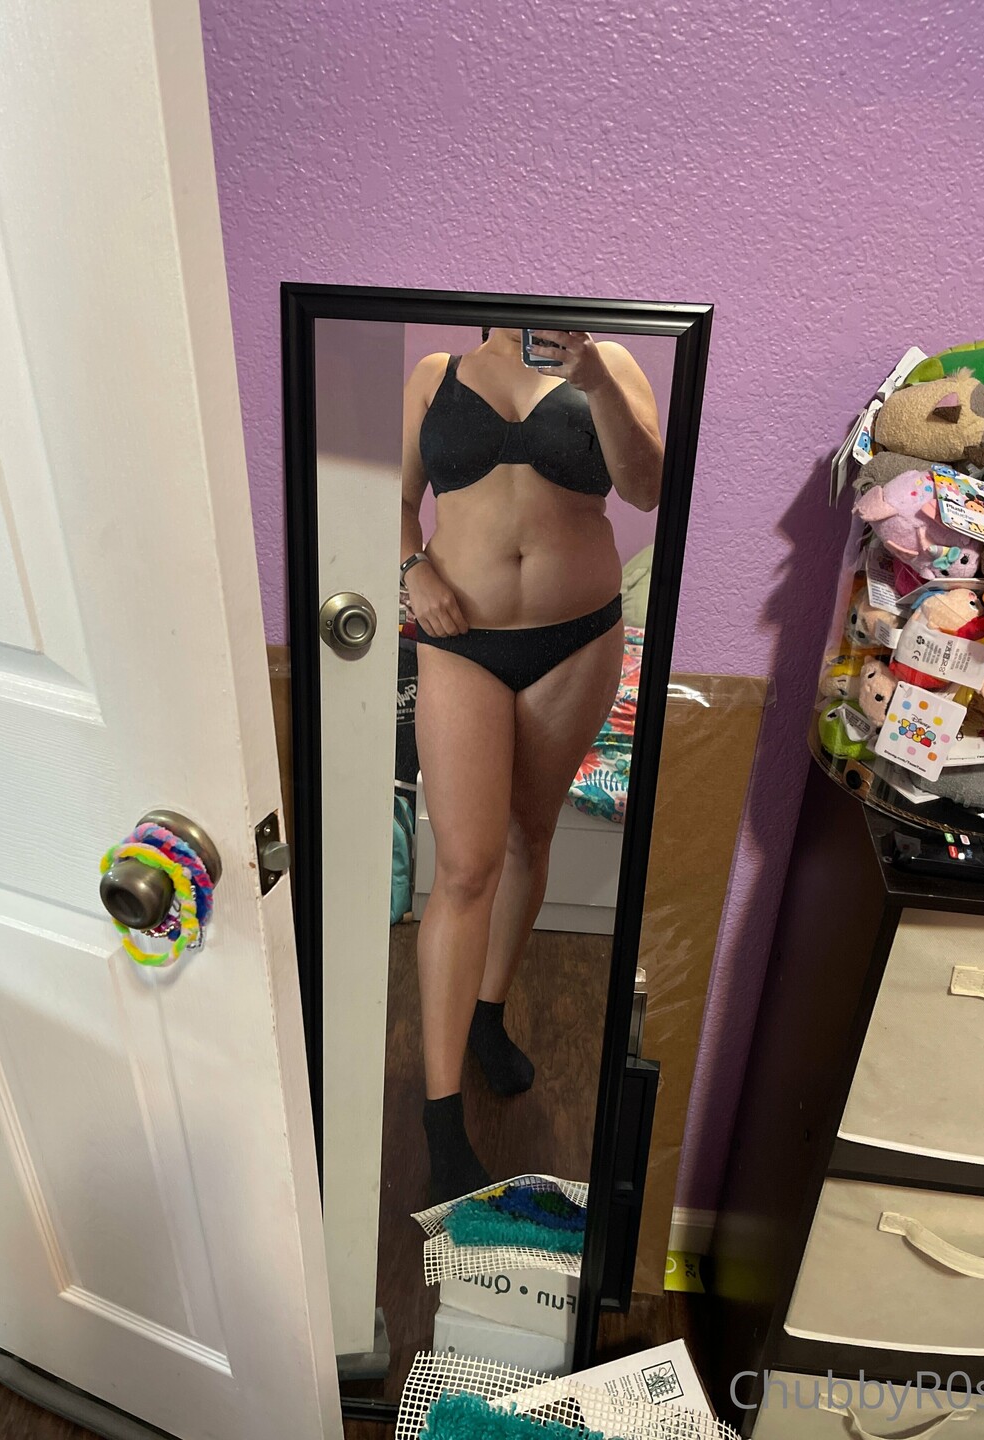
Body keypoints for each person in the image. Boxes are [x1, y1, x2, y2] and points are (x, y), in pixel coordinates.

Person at [400, 328, 663, 1202]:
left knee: (527, 836)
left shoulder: (611, 365)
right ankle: (441, 1117)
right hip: (458, 640)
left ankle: (488, 1012)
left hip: (576, 636)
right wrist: (412, 568)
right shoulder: (435, 375)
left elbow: (647, 488)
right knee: (464, 867)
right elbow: (395, 499)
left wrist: (596, 381)